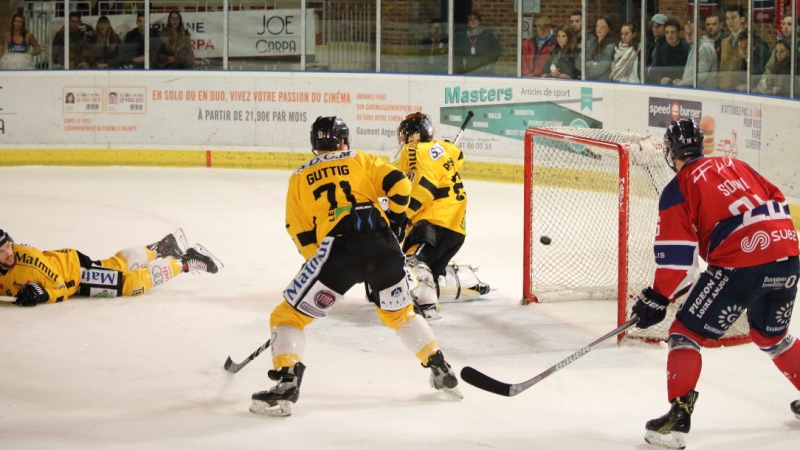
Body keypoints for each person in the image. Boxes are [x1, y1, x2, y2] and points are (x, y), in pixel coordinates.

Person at [248, 116, 461, 417]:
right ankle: (438, 365)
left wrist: (326, 270)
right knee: (400, 315)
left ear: (314, 144)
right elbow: (400, 185)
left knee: (286, 316)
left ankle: (286, 383)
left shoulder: (299, 177)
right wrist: (397, 223)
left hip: (339, 249)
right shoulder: (361, 159)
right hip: (385, 247)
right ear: (344, 142)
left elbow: (300, 232)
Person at [631, 119, 800, 449]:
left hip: (741, 262)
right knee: (771, 335)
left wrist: (656, 298)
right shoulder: (738, 165)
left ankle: (678, 420)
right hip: (789, 252)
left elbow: (678, 263)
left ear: (670, 153)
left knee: (685, 333)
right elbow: (777, 201)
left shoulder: (679, 186)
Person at [394, 112, 488, 320]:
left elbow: (425, 187)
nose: (403, 139)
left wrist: (404, 216)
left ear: (414, 135)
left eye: (406, 133)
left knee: (413, 261)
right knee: (428, 266)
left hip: (434, 222)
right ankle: (436, 284)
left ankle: (427, 305)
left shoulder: (413, 150)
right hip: (456, 226)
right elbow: (459, 155)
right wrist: (441, 152)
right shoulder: (442, 147)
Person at [0, 228, 221, 306]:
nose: (9, 253)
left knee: (129, 284)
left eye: (8, 246)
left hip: (75, 275)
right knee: (114, 265)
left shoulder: (29, 263)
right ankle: (162, 247)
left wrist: (43, 294)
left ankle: (186, 261)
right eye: (1, 251)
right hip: (67, 261)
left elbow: (63, 288)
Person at [454, 11, 501, 75]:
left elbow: (497, 50)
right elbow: (456, 53)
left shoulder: (488, 35)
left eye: (475, 19)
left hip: (485, 70)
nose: (473, 21)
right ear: (468, 23)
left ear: (479, 22)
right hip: (468, 70)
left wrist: (489, 62)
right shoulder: (462, 37)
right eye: (470, 19)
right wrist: (461, 61)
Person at [673, 21, 718, 88]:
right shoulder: (695, 46)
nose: (689, 35)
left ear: (699, 31)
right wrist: (683, 80)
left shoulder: (704, 48)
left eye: (692, 32)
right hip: (696, 90)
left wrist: (683, 83)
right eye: (686, 32)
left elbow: (702, 75)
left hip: (704, 93)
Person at [646, 19, 690, 85]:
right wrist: (660, 79)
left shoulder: (688, 49)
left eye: (673, 32)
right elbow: (653, 72)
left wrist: (684, 80)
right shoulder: (659, 50)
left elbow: (692, 72)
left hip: (683, 87)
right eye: (667, 32)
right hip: (665, 87)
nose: (669, 35)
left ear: (679, 33)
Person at [577, 16, 617, 80]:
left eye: (602, 27)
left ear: (609, 29)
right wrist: (592, 63)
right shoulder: (591, 43)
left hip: (602, 83)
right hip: (588, 81)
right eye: (597, 26)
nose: (599, 29)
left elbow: (599, 69)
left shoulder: (611, 47)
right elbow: (578, 62)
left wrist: (583, 72)